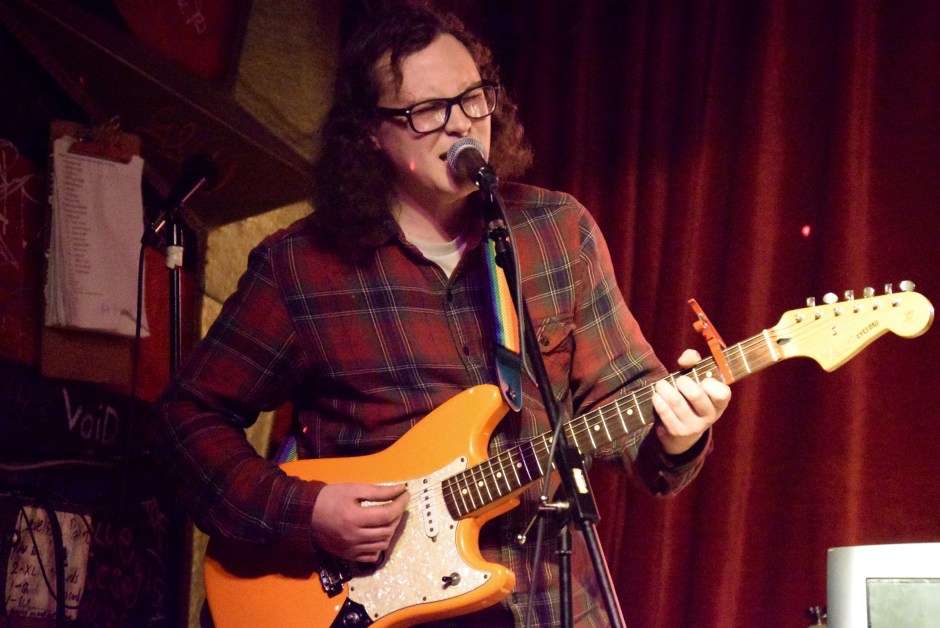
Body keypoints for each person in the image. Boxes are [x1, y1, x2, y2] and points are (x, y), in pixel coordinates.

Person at [148, 1, 732, 626]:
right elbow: (188, 419)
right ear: (370, 132)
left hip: (547, 599)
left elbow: (626, 400)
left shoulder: (557, 231)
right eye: (428, 110)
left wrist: (677, 434)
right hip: (380, 606)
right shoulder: (302, 265)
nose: (461, 125)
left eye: (473, 98)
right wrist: (307, 510)